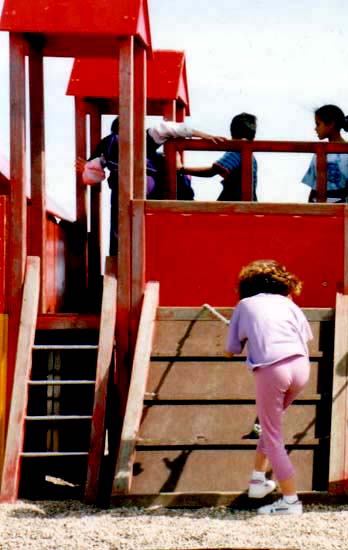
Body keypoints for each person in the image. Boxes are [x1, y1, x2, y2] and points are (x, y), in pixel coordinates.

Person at [224, 259, 313, 515]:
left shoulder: (244, 305)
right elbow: (306, 336)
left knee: (273, 436)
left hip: (272, 370)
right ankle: (257, 480)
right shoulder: (288, 304)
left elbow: (231, 350)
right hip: (301, 367)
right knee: (269, 426)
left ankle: (291, 501)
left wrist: (244, 338)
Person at [81, 118, 224, 255]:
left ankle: (118, 255)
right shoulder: (143, 139)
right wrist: (204, 135)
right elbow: (170, 128)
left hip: (122, 186)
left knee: (120, 226)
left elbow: (93, 175)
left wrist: (84, 168)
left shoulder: (107, 143)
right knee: (152, 223)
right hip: (151, 185)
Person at [178, 113, 259, 201]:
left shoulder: (237, 150)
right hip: (247, 200)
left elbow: (213, 171)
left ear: (232, 132)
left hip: (234, 201)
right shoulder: (250, 156)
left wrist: (182, 169)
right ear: (253, 136)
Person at [301, 104, 348, 203]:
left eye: (318, 124)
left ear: (331, 124)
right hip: (317, 203)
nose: (315, 129)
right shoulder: (318, 152)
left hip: (341, 203)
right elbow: (314, 186)